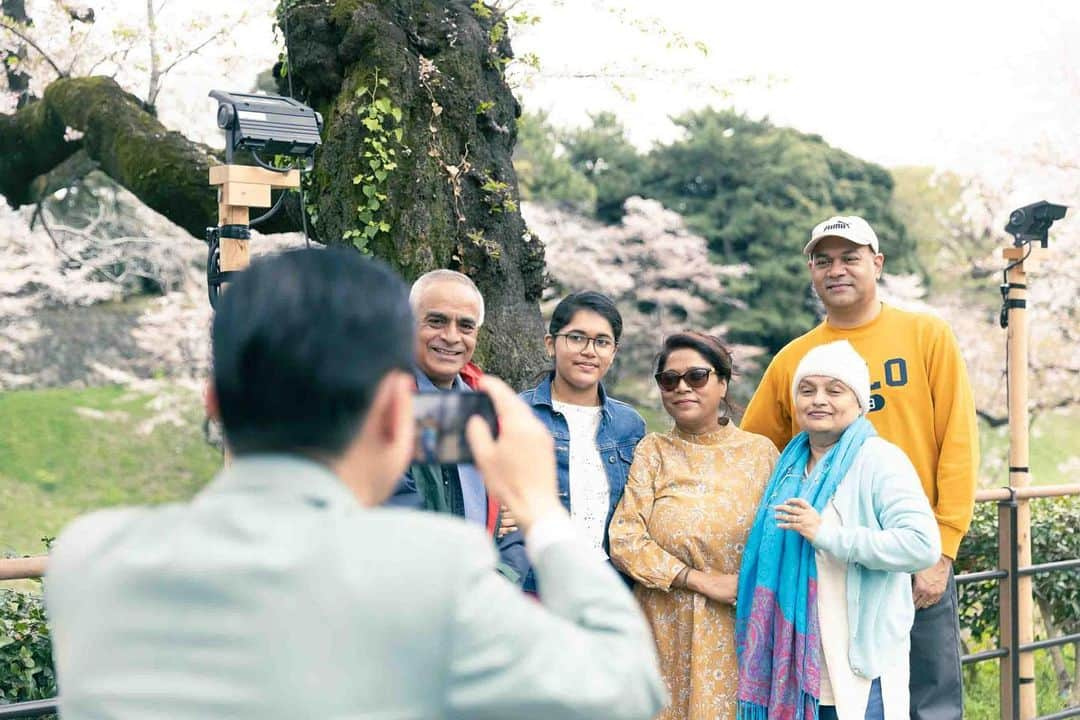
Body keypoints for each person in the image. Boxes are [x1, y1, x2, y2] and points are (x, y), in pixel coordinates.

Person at [44, 249, 668, 720]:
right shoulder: (433, 574)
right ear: (399, 415)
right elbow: (628, 689)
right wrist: (540, 511)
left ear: (214, 404)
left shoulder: (88, 559)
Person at [740, 215, 979, 720]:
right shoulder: (794, 359)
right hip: (824, 565)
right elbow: (754, 452)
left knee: (929, 698)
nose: (837, 270)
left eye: (850, 258)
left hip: (912, 549)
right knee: (843, 697)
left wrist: (944, 547)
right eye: (823, 260)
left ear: (877, 262)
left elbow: (957, 441)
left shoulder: (926, 335)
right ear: (811, 270)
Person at [737, 340, 940, 720]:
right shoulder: (790, 463)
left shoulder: (879, 460)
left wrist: (828, 535)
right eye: (807, 389)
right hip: (795, 658)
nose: (818, 400)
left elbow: (922, 545)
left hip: (855, 661)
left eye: (834, 390)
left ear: (860, 402)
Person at [609, 332, 779, 720]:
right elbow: (625, 538)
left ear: (723, 382)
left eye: (697, 376)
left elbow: (781, 544)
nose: (682, 387)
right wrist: (697, 579)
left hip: (736, 628)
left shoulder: (761, 454)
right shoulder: (653, 451)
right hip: (662, 627)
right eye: (669, 380)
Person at [387, 268, 528, 585]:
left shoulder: (483, 405)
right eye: (436, 321)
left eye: (465, 326)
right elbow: (400, 514)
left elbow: (514, 520)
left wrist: (499, 582)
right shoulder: (382, 402)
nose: (451, 337)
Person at [518, 291, 646, 593]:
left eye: (602, 342)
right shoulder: (516, 414)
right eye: (576, 338)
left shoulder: (629, 424)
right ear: (551, 344)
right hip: (536, 583)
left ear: (613, 353)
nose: (589, 351)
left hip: (608, 584)